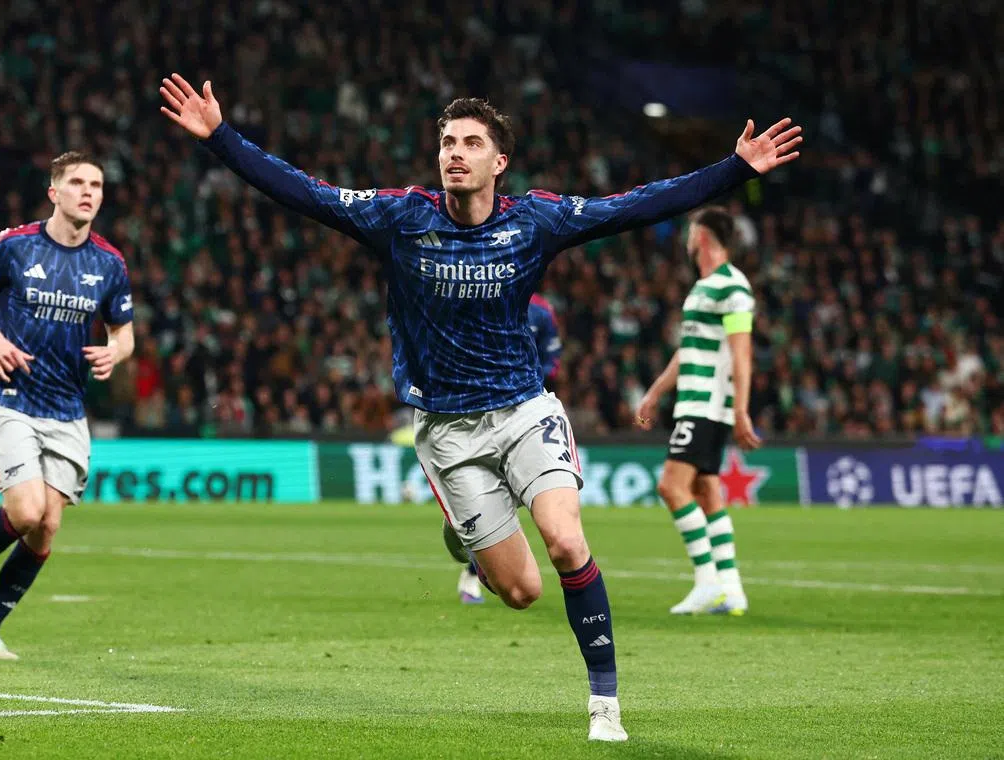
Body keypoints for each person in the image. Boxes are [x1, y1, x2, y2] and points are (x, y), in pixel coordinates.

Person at [160, 73, 800, 741]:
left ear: (500, 162)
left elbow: (634, 206)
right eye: (447, 142)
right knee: (521, 592)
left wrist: (733, 169)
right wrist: (220, 137)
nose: (455, 153)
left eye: (471, 143)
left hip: (524, 410)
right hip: (447, 432)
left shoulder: (535, 220)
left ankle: (605, 706)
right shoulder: (401, 218)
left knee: (565, 540)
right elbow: (305, 192)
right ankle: (465, 533)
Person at [0, 152, 135, 660]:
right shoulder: (14, 245)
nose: (88, 192)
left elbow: (125, 333)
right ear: (54, 192)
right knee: (25, 512)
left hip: (67, 407)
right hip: (14, 398)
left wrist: (115, 352)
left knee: (47, 527)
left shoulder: (109, 263)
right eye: (77, 182)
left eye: (96, 184)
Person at [637, 207, 760, 615]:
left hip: (707, 404)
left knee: (671, 487)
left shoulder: (732, 287)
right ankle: (732, 589)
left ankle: (707, 582)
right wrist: (655, 392)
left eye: (692, 231)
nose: (687, 238)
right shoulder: (703, 288)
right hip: (695, 402)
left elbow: (742, 353)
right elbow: (688, 350)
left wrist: (740, 410)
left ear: (703, 237)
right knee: (706, 491)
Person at [450, 292, 563, 604]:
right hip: (480, 410)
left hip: (527, 410)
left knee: (529, 496)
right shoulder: (480, 293)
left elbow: (553, 360)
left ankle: (477, 554)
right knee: (498, 493)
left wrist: (527, 380)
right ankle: (475, 566)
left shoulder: (542, 310)